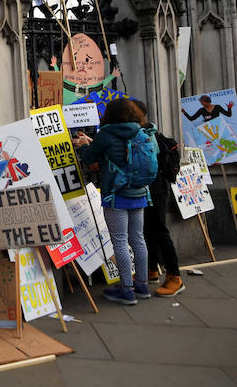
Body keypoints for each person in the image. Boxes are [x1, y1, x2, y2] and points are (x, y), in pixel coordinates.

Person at [73, 98, 152, 305]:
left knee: (119, 241)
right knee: (138, 239)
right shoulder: (140, 132)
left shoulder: (107, 133)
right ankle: (142, 285)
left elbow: (90, 158)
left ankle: (126, 290)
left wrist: (82, 145)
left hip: (116, 195)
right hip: (139, 192)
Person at [135, 100, 185, 297]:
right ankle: (152, 270)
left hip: (155, 190)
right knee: (148, 229)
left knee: (159, 230)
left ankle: (175, 277)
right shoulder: (148, 133)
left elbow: (150, 168)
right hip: (152, 189)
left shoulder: (148, 137)